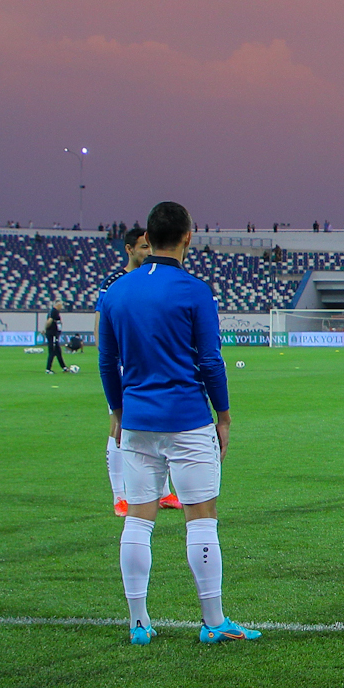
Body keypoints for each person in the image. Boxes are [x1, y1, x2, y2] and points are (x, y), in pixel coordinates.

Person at [96, 200, 257, 645]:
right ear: (189, 236)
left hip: (138, 421)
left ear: (146, 238)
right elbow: (210, 360)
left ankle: (138, 622)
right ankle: (213, 622)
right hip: (187, 419)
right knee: (201, 519)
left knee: (138, 519)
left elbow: (107, 362)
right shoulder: (194, 290)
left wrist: (117, 409)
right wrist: (223, 416)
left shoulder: (117, 292)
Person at [104, 227, 177, 516]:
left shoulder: (153, 278)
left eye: (150, 247)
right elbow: (103, 324)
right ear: (129, 250)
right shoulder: (115, 282)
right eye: (143, 248)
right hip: (124, 365)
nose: (148, 252)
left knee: (162, 425)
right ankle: (120, 496)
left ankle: (164, 492)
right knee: (118, 426)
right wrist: (109, 362)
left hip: (151, 363)